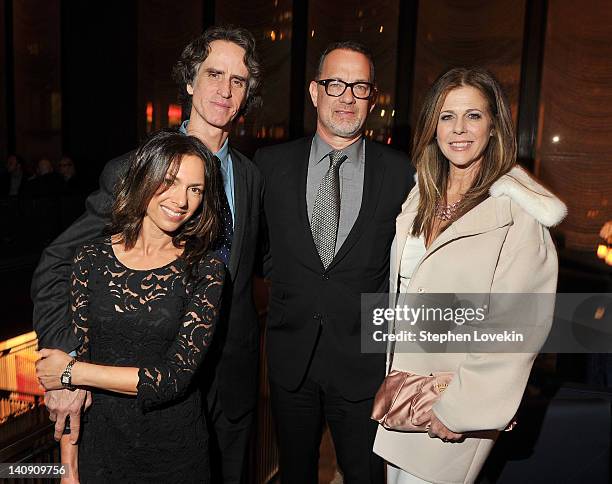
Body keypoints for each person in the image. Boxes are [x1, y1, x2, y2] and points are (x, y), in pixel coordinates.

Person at [31, 25, 264, 483]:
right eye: (214, 74)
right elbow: (59, 264)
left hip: (230, 386)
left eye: (238, 81)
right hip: (144, 395)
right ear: (189, 81)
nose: (225, 89)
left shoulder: (253, 177)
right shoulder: (134, 171)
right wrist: (66, 366)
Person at [373, 67, 567, 483]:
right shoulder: (421, 195)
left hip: (451, 404)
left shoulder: (516, 213)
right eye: (447, 116)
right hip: (404, 395)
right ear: (433, 126)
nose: (459, 129)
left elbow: (517, 325)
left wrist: (460, 409)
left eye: (473, 116)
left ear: (494, 126)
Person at [254, 41, 414, 483]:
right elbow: (259, 251)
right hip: (291, 363)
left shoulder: (400, 173)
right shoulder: (270, 166)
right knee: (295, 474)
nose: (346, 96)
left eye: (359, 86)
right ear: (314, 92)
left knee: (364, 475)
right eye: (335, 83)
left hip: (363, 365)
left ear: (372, 97)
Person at [35, 130, 224, 483]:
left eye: (195, 189)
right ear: (144, 177)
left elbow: (172, 378)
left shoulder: (205, 270)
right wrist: (69, 469)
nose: (181, 200)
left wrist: (71, 371)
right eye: (169, 181)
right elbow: (78, 365)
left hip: (175, 456)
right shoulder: (90, 258)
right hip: (100, 450)